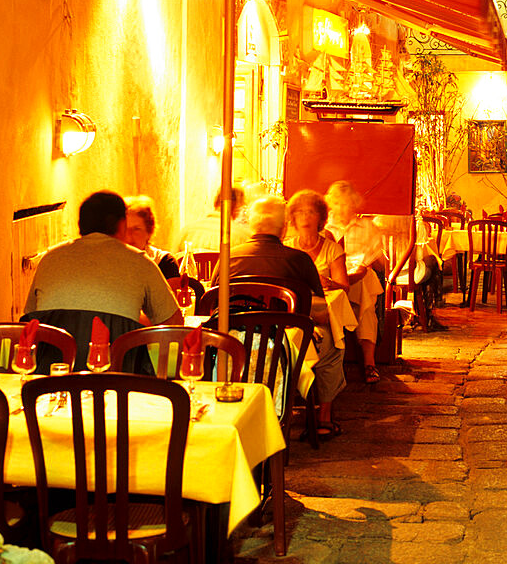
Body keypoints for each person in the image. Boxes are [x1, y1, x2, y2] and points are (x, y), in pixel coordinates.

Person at [211, 195, 346, 439]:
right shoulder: (298, 260)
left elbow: (211, 303)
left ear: (252, 226)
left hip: (228, 346)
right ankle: (323, 419)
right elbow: (319, 312)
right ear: (284, 228)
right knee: (334, 345)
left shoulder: (229, 256)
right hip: (280, 346)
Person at [23, 190, 182, 371]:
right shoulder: (139, 262)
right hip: (120, 384)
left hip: (50, 382)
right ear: (122, 225)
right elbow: (174, 324)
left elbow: (30, 317)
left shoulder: (50, 259)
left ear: (80, 225)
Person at [324, 181, 386, 384]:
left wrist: (364, 264)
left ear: (354, 204)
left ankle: (369, 363)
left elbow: (376, 261)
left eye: (347, 203)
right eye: (338, 203)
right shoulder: (324, 227)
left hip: (359, 279)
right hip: (329, 279)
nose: (342, 208)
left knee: (366, 293)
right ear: (331, 204)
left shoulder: (367, 227)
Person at [121, 195, 179, 278]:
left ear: (149, 232)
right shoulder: (109, 262)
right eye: (125, 229)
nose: (129, 235)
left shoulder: (164, 262)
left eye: (136, 229)